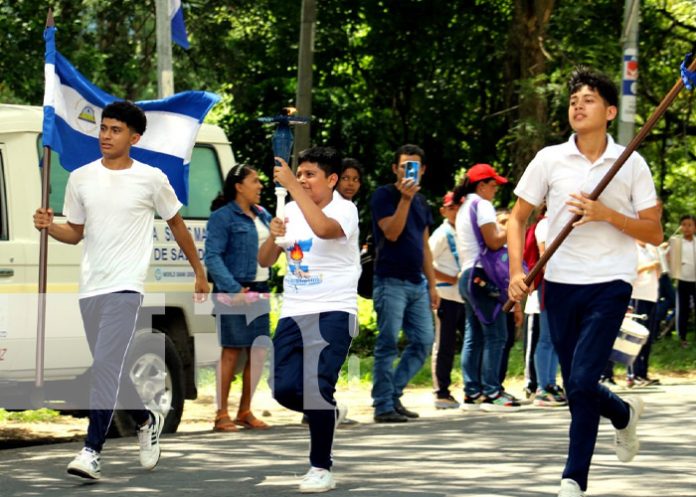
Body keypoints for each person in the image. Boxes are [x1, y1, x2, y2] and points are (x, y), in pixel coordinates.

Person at [33, 101, 209, 480]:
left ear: (135, 137)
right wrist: (50, 226)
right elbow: (75, 233)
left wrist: (198, 271)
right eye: (104, 128)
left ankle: (91, 451)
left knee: (105, 367)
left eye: (115, 130)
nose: (106, 136)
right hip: (90, 288)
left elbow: (177, 225)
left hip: (126, 287)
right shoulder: (81, 178)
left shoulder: (151, 178)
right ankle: (145, 420)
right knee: (109, 370)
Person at [507, 67, 662, 497]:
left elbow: (653, 231)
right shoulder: (550, 159)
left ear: (610, 111)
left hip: (610, 282)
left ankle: (573, 479)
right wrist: (518, 273)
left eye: (589, 98)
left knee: (578, 383)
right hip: (558, 283)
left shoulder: (630, 162)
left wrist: (606, 214)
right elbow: (518, 219)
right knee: (581, 381)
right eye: (575, 98)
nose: (578, 104)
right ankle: (623, 413)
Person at [258, 146, 359, 493]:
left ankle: (321, 468)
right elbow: (265, 260)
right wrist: (273, 233)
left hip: (334, 309)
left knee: (316, 387)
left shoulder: (345, 210)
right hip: (294, 311)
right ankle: (328, 411)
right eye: (298, 174)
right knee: (283, 388)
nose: (301, 180)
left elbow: (325, 230)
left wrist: (294, 191)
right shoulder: (290, 209)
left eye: (309, 174)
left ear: (332, 180)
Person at [370, 144, 439, 423]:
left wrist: (432, 285)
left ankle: (393, 392)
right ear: (395, 169)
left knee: (424, 340)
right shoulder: (384, 195)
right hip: (390, 280)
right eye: (403, 166)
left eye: (414, 166)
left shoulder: (422, 202)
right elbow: (393, 232)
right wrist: (405, 200)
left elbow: (424, 244)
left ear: (422, 170)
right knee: (387, 343)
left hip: (417, 282)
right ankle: (383, 404)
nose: (408, 171)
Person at [204, 164, 272, 432]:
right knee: (231, 351)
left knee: (257, 351)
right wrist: (234, 290)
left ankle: (245, 410)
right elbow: (212, 257)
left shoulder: (263, 214)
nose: (260, 186)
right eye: (255, 181)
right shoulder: (222, 217)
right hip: (233, 290)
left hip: (260, 287)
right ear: (239, 186)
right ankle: (221, 414)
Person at [453, 164, 521, 412]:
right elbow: (493, 242)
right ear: (481, 185)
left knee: (474, 335)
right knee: (497, 335)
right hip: (482, 277)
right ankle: (492, 392)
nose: (495, 190)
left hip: (467, 276)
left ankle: (472, 393)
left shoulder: (463, 207)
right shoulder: (481, 205)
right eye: (493, 185)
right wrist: (511, 225)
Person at [429, 191, 466, 409]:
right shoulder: (441, 234)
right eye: (452, 208)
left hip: (462, 296)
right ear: (443, 210)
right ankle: (440, 391)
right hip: (445, 295)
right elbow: (427, 263)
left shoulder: (463, 231)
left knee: (465, 342)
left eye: (459, 208)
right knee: (444, 344)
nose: (456, 212)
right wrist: (450, 278)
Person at [626, 240, 661, 387]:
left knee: (648, 336)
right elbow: (630, 271)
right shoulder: (631, 247)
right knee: (636, 337)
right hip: (637, 295)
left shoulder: (652, 248)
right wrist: (649, 266)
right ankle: (633, 374)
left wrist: (657, 267)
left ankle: (643, 373)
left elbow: (659, 273)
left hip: (651, 295)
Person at [671, 214, 696, 348]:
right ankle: (682, 338)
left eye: (690, 225)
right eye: (684, 225)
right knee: (683, 310)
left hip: (695, 280)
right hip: (683, 280)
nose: (686, 228)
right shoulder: (676, 242)